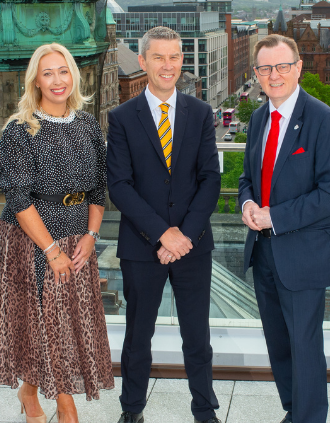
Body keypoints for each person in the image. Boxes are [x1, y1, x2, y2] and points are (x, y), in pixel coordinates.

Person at [106, 26, 222, 423]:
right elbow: (119, 186)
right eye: (159, 57)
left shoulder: (201, 113)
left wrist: (184, 235)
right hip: (142, 247)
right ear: (143, 61)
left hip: (192, 246)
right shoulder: (121, 117)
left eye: (174, 57)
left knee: (197, 337)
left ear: (181, 61)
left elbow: (210, 178)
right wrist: (163, 233)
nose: (167, 65)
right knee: (138, 336)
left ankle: (204, 410)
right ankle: (131, 410)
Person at [0, 43, 114, 423]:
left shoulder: (87, 124)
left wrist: (91, 237)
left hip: (77, 238)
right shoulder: (20, 130)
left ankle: (30, 394)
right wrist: (49, 249)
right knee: (49, 322)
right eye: (48, 73)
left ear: (74, 75)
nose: (57, 80)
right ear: (36, 81)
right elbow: (17, 198)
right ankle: (67, 409)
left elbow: (98, 189)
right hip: (33, 241)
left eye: (63, 71)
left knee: (61, 323)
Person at [238, 34, 330, 423]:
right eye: (266, 68)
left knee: (304, 345)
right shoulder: (258, 118)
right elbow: (248, 179)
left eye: (283, 66)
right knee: (279, 344)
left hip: (303, 255)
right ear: (257, 73)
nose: (275, 74)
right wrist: (248, 204)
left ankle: (310, 416)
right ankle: (293, 410)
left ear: (299, 67)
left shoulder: (322, 120)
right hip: (264, 252)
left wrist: (276, 217)